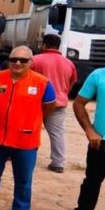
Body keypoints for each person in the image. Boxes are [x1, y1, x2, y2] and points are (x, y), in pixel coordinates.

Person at [0, 45, 56, 210]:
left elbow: (49, 106)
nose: (17, 63)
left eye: (23, 60)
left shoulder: (42, 82)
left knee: (23, 180)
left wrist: (32, 121)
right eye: (13, 59)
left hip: (25, 140)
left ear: (31, 62)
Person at [64, 63, 105, 210]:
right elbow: (78, 103)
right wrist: (89, 131)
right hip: (103, 140)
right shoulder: (100, 75)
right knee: (92, 180)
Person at [32, 33, 77, 173]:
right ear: (58, 46)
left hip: (36, 103)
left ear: (44, 45)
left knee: (28, 130)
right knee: (57, 133)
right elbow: (72, 82)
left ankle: (20, 155)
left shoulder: (35, 60)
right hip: (58, 103)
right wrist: (63, 94)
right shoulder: (68, 63)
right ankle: (58, 163)